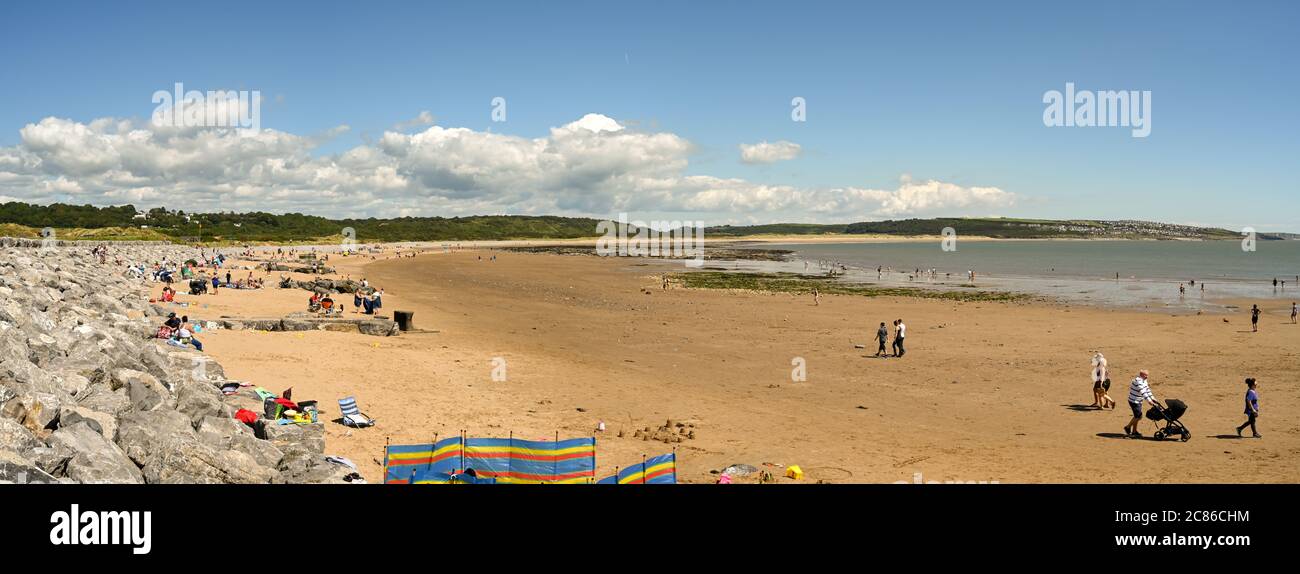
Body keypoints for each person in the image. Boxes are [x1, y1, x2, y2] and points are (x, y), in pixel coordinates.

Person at [1124, 370, 1157, 438]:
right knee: (1139, 416)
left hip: (1139, 401)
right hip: (1134, 401)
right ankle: (1128, 427)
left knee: (1137, 416)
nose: (1147, 377)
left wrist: (1153, 398)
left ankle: (1134, 431)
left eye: (1147, 375)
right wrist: (1149, 401)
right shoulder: (1138, 381)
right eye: (1146, 375)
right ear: (1141, 375)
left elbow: (1147, 389)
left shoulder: (1144, 380)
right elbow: (1143, 392)